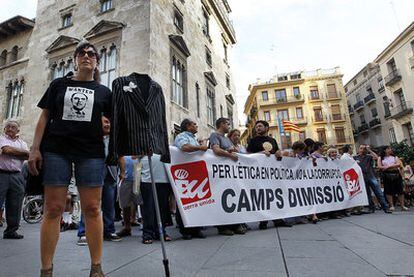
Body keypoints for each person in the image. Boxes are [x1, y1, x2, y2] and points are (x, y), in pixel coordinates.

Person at [28, 41, 111, 277]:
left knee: (93, 209)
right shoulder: (58, 85)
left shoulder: (105, 93)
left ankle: (96, 268)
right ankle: (46, 270)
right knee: (53, 209)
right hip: (57, 150)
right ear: (75, 59)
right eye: (81, 53)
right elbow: (44, 117)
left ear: (97, 61)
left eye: (91, 53)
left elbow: (112, 123)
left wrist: (109, 126)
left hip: (91, 152)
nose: (86, 56)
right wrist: (35, 148)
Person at [246, 121, 291, 229]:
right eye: (256, 127)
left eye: (260, 126)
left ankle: (278, 219)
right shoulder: (253, 141)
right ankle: (263, 221)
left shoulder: (272, 140)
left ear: (266, 127)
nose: (258, 128)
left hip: (272, 174)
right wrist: (260, 154)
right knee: (262, 195)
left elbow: (276, 152)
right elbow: (248, 155)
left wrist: (278, 153)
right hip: (259, 173)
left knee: (274, 194)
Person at [210, 118, 245, 236]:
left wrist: (232, 150)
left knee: (233, 198)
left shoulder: (227, 139)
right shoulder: (214, 135)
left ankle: (235, 224)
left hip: (231, 174)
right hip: (221, 173)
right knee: (222, 199)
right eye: (228, 124)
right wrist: (229, 155)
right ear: (221, 124)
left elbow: (232, 150)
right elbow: (216, 150)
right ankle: (223, 226)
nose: (229, 126)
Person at [174, 119, 208, 240]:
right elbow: (184, 147)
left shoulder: (194, 138)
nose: (196, 125)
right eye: (194, 124)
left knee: (197, 201)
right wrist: (200, 148)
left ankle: (196, 229)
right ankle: (185, 230)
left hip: (195, 172)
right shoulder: (181, 136)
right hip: (184, 173)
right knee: (184, 201)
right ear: (188, 126)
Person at [0, 120, 29, 239]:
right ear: (4, 129)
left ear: (18, 130)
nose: (10, 129)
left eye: (13, 127)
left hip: (17, 175)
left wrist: (12, 152)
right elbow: (6, 150)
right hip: (1, 173)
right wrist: (18, 153)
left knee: (16, 203)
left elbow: (28, 155)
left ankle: (11, 231)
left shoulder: (22, 142)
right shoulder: (1, 138)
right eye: (8, 127)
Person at [138, 154, 173, 244]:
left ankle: (160, 232)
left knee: (163, 207)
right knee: (148, 208)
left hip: (163, 178)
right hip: (147, 178)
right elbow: (134, 155)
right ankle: (147, 233)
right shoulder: (142, 141)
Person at [354, 145, 391, 214]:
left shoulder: (369, 156)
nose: (362, 150)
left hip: (371, 176)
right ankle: (371, 208)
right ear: (358, 149)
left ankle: (386, 208)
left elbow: (377, 158)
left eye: (364, 149)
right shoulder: (355, 157)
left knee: (379, 193)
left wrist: (369, 150)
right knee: (368, 194)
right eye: (361, 148)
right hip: (362, 178)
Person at [115, 155, 141, 238]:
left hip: (138, 174)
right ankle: (127, 227)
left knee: (140, 201)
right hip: (125, 176)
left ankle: (146, 226)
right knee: (125, 203)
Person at [378, 146, 408, 212]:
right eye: (388, 149)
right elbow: (379, 166)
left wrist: (388, 166)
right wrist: (390, 166)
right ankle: (391, 205)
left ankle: (402, 206)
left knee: (400, 190)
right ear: (384, 150)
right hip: (386, 175)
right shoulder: (380, 158)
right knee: (388, 190)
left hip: (396, 174)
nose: (390, 150)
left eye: (390, 149)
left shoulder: (395, 157)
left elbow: (398, 164)